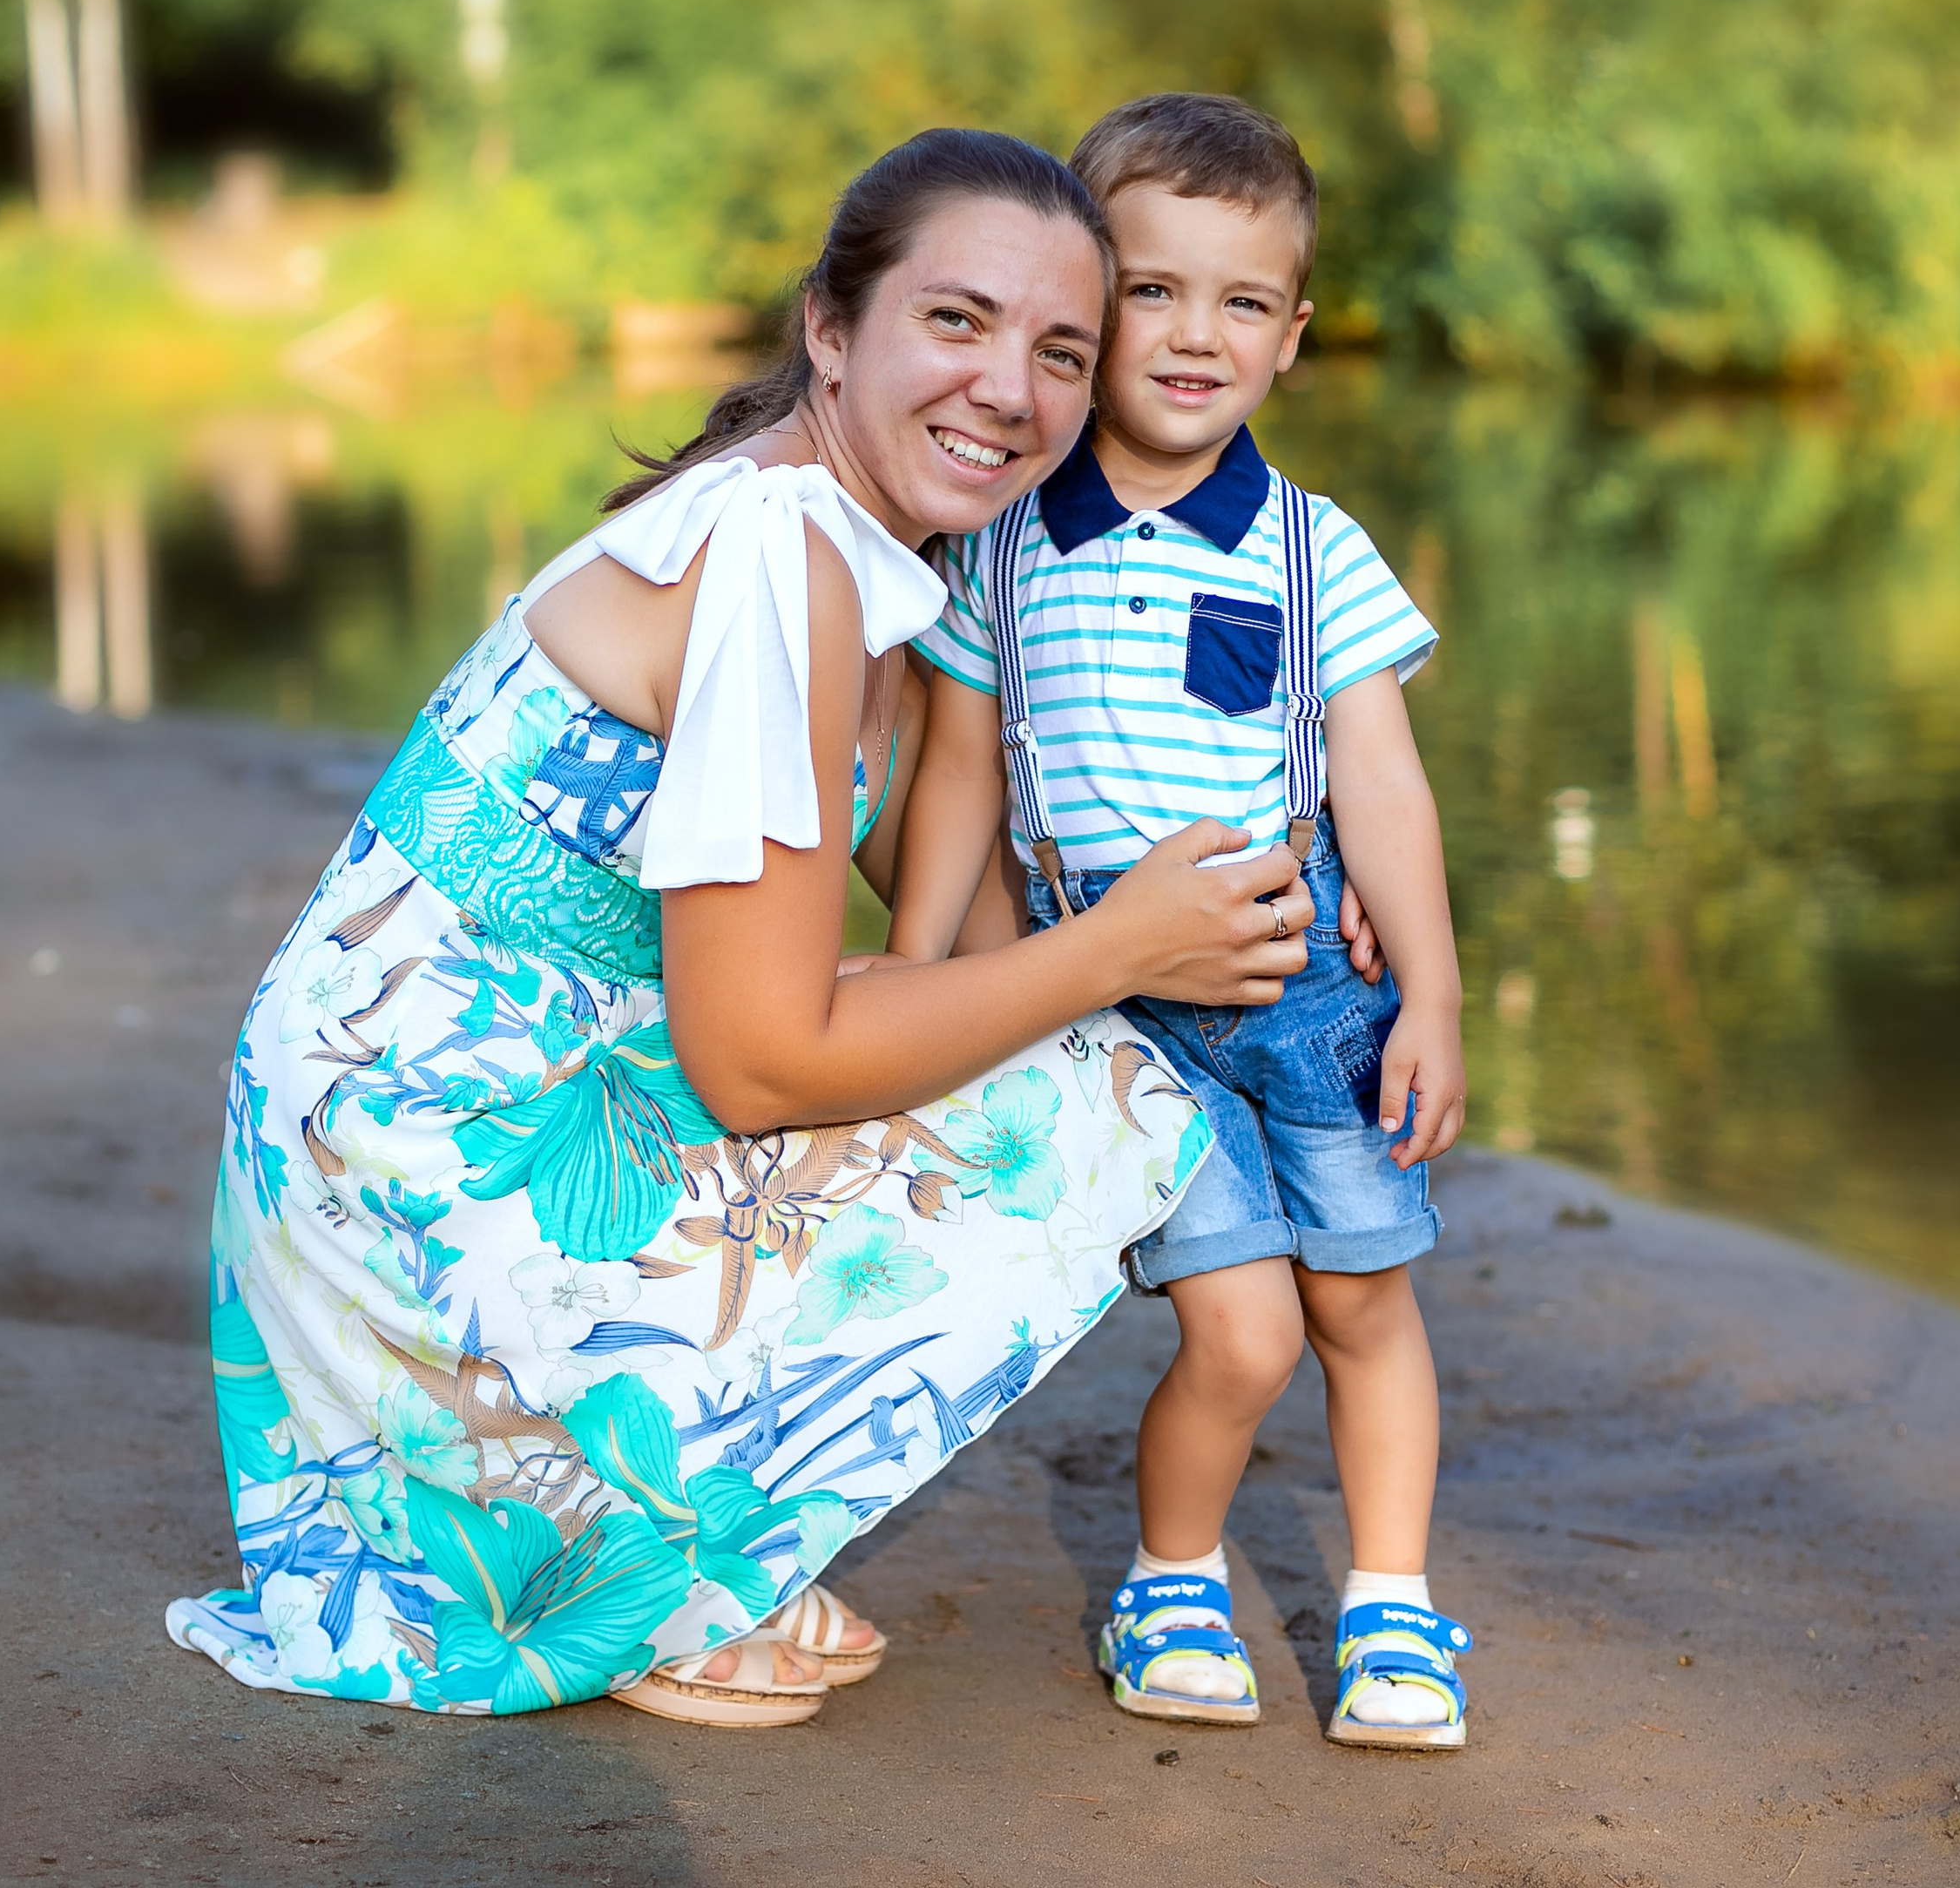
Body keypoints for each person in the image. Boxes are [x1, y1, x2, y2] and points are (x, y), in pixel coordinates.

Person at [166, 128, 1323, 1728]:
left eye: (1064, 350)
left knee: (1058, 1046)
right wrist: (1124, 953)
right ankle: (643, 1551)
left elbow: (944, 902)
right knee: (1088, 1102)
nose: (1014, 389)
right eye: (959, 322)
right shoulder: (776, 563)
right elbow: (766, 1056)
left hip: (402, 1109)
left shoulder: (856, 540)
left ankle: (635, 1505)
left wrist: (1263, 938)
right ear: (829, 329)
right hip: (418, 1173)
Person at [889, 94, 1472, 1748]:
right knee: (1240, 1327)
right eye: (1152, 292)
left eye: (1241, 302)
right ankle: (1174, 1571)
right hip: (1131, 1015)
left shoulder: (1316, 550)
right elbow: (955, 775)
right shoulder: (1004, 545)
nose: (1195, 336)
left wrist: (1430, 993)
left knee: (1363, 1304)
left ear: (1293, 334)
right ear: (1087, 307)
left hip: (1312, 994)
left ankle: (1393, 1606)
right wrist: (931, 973)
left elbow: (1386, 791)